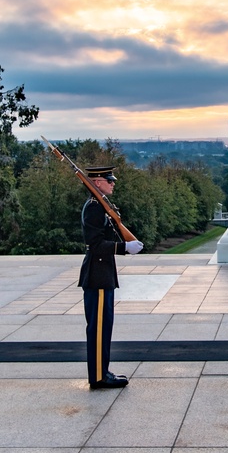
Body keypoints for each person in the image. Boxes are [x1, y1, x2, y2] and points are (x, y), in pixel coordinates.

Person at [79, 166, 143, 389]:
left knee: (104, 327)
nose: (113, 183)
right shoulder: (94, 208)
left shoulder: (102, 206)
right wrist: (124, 247)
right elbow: (95, 245)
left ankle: (102, 371)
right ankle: (98, 376)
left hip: (103, 275)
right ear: (97, 183)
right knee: (98, 330)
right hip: (96, 276)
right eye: (109, 180)